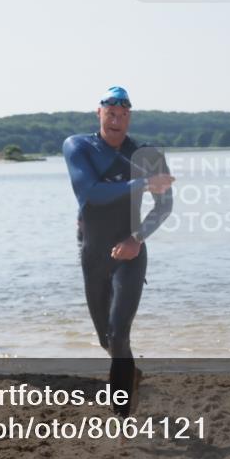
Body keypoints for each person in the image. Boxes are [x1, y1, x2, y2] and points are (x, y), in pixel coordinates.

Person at [62, 86, 174, 414]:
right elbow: (90, 193)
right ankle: (130, 372)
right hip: (94, 254)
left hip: (130, 252)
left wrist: (136, 239)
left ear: (130, 118)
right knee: (106, 340)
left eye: (124, 115)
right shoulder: (77, 146)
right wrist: (141, 183)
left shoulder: (147, 154)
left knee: (118, 332)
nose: (117, 120)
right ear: (99, 113)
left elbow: (164, 205)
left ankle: (122, 416)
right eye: (111, 113)